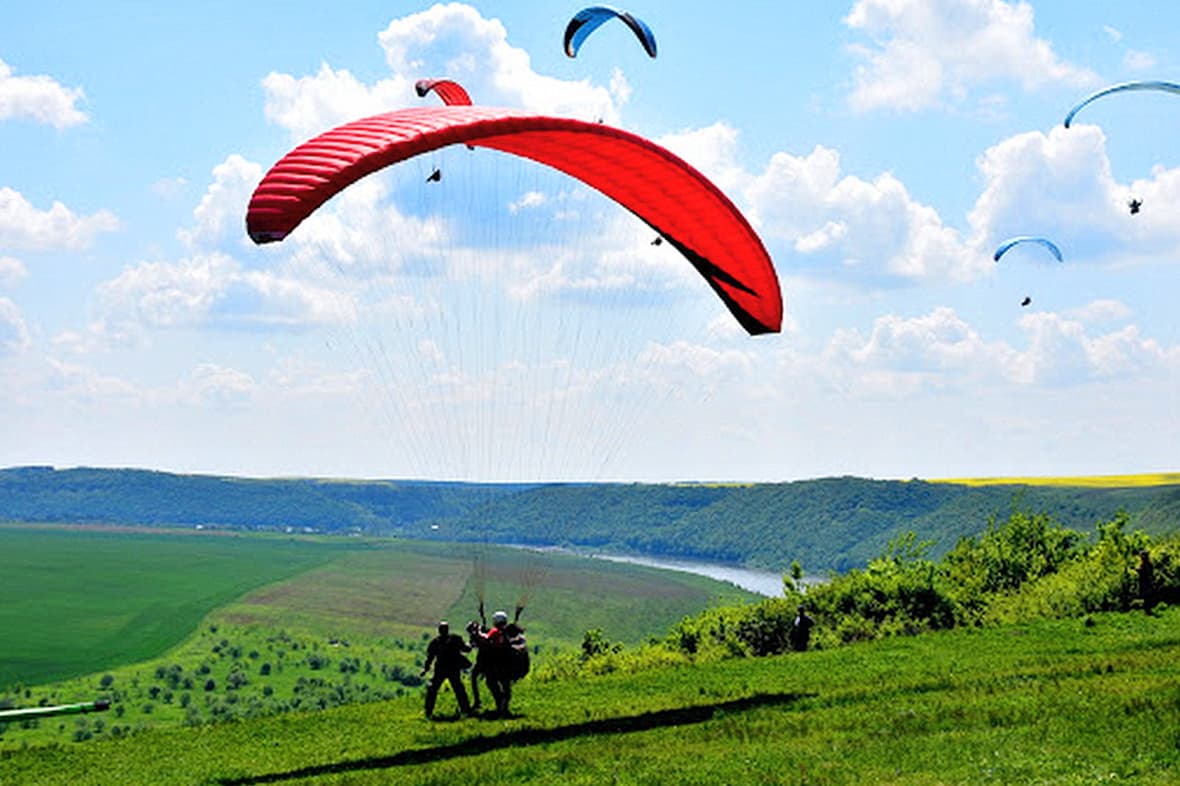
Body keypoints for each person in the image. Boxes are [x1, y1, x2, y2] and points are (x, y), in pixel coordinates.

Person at [420, 621, 472, 718]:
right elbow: (466, 649)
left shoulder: (436, 642)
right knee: (458, 689)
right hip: (450, 669)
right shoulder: (454, 639)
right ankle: (466, 710)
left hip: (443, 669)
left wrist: (426, 669)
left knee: (434, 689)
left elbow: (430, 657)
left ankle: (428, 711)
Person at [471, 610, 514, 716]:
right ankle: (504, 706)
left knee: (491, 683)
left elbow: (486, 639)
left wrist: (478, 631)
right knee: (505, 686)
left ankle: (498, 704)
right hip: (505, 663)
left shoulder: (495, 631)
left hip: (494, 663)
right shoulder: (506, 632)